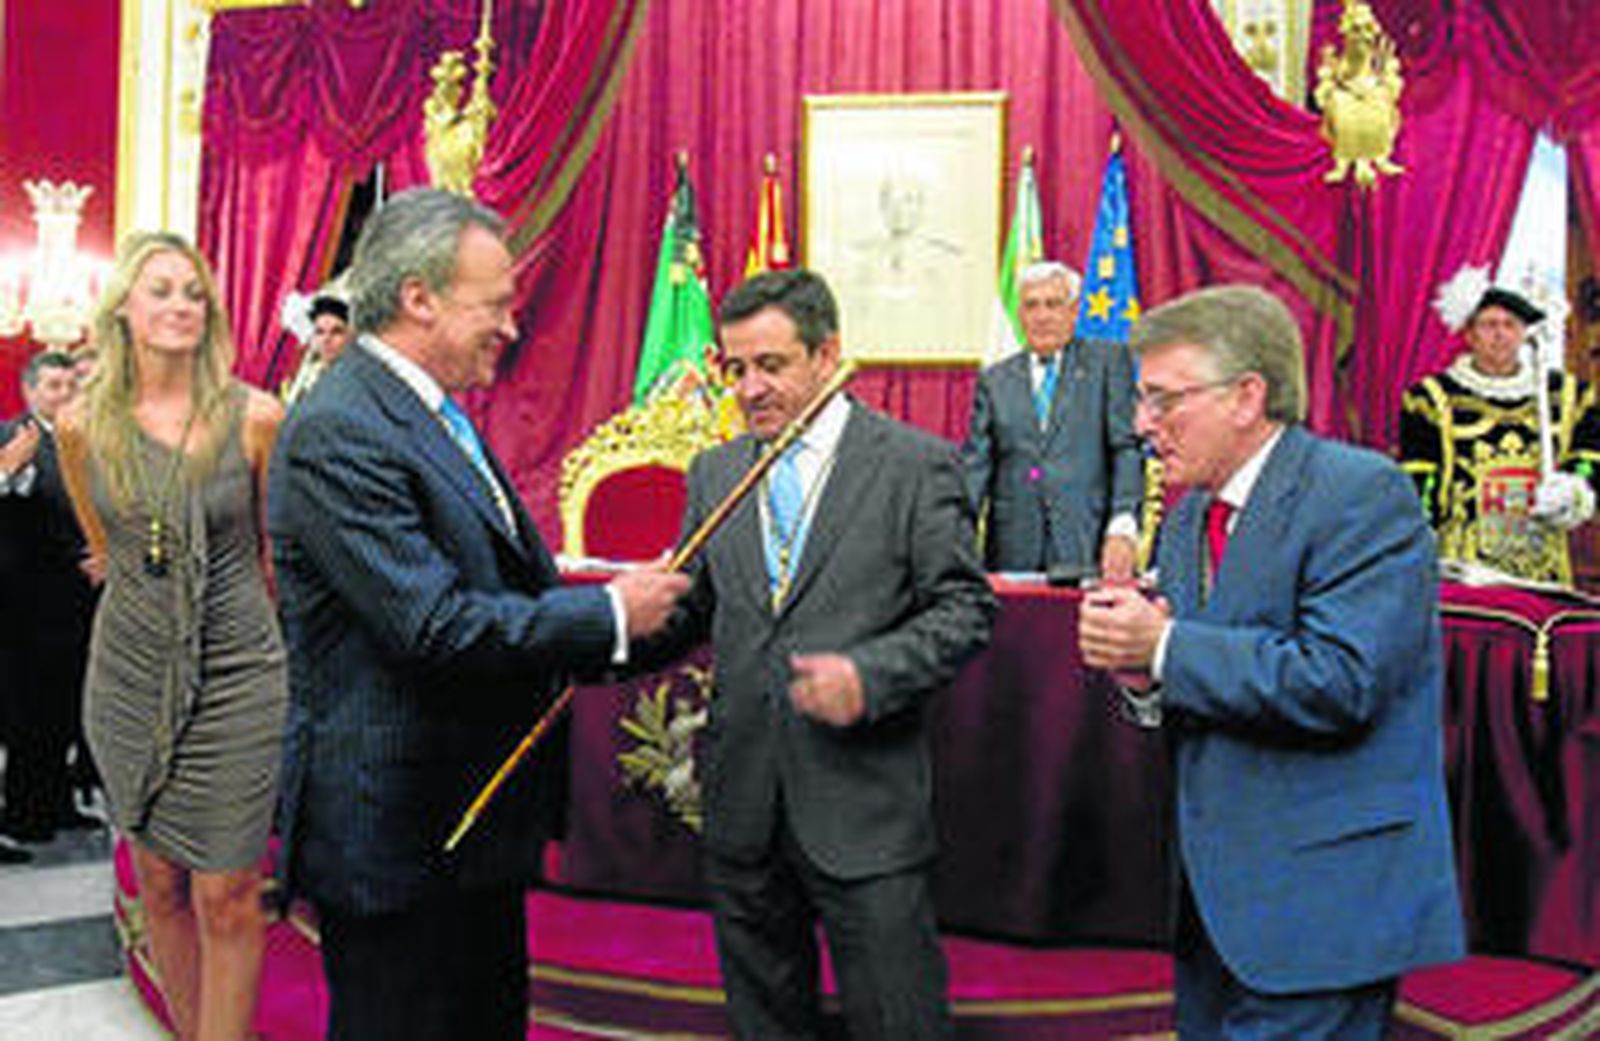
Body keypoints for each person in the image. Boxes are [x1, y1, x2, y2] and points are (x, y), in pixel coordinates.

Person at [266, 188, 687, 1041]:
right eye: (494, 305)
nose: (509, 326)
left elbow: (511, 599)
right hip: (396, 836)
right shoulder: (339, 428)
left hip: (472, 825)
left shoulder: (432, 415)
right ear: (419, 297)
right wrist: (609, 612)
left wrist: (684, 607)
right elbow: (435, 626)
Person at [1078, 285, 1463, 1039]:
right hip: (1220, 903)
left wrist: (1163, 645)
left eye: (1162, 399)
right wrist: (1144, 677)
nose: (1140, 424)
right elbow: (1205, 674)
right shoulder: (1191, 513)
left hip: (1324, 901)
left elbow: (1341, 679)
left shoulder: (1360, 492)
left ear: (1246, 396)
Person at [637, 268, 997, 1040]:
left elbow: (965, 608)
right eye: (735, 368)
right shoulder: (716, 471)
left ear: (827, 353)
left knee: (899, 1021)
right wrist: (612, 623)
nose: (748, 388)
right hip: (741, 804)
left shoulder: (914, 464)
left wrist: (870, 676)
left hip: (862, 806)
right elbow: (696, 610)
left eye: (771, 365)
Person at [55, 231, 289, 1041]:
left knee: (227, 889)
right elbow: (106, 550)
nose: (183, 305)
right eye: (162, 290)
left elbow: (270, 557)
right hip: (128, 670)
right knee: (158, 882)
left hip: (236, 669)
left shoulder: (258, 416)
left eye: (194, 293)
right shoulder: (81, 426)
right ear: (123, 307)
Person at [1399, 281, 1600, 584]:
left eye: (1510, 325)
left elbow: (1589, 456)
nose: (1500, 334)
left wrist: (1572, 488)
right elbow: (1419, 481)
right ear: (1469, 334)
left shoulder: (1568, 395)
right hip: (1465, 568)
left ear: (1523, 333)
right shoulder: (1430, 399)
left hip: (1545, 567)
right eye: (1489, 324)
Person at [961, 260, 1143, 579]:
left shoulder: (1108, 364)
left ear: (1074, 312)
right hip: (1013, 554)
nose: (1042, 316)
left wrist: (1123, 525)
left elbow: (1126, 450)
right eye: (1032, 305)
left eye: (1053, 304)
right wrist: (954, 535)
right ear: (1020, 314)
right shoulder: (995, 380)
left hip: (1087, 545)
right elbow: (976, 469)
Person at [0, 351, 98, 862]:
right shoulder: (10, 436)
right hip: (26, 605)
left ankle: (59, 803)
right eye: (55, 387)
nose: (66, 395)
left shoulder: (81, 441)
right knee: (29, 715)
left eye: (70, 386)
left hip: (78, 599)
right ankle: (24, 813)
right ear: (31, 391)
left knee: (68, 707)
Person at [281, 294, 352, 406]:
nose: (326, 339)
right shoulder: (309, 373)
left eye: (336, 331)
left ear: (349, 336)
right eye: (320, 332)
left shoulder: (355, 376)